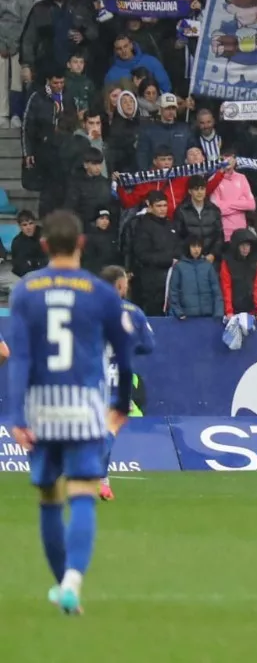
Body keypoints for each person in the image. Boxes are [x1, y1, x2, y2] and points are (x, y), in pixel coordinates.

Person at [4, 210, 138, 615]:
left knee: (49, 497)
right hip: (84, 407)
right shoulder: (98, 292)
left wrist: (16, 417)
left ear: (44, 246)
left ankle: (61, 580)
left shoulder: (26, 290)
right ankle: (74, 582)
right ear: (81, 244)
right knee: (83, 491)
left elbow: (21, 359)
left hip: (43, 409)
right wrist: (119, 406)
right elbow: (125, 351)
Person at [94, 265, 155, 502]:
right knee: (110, 428)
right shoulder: (133, 311)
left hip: (90, 377)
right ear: (120, 286)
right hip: (118, 378)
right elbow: (149, 346)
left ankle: (103, 482)